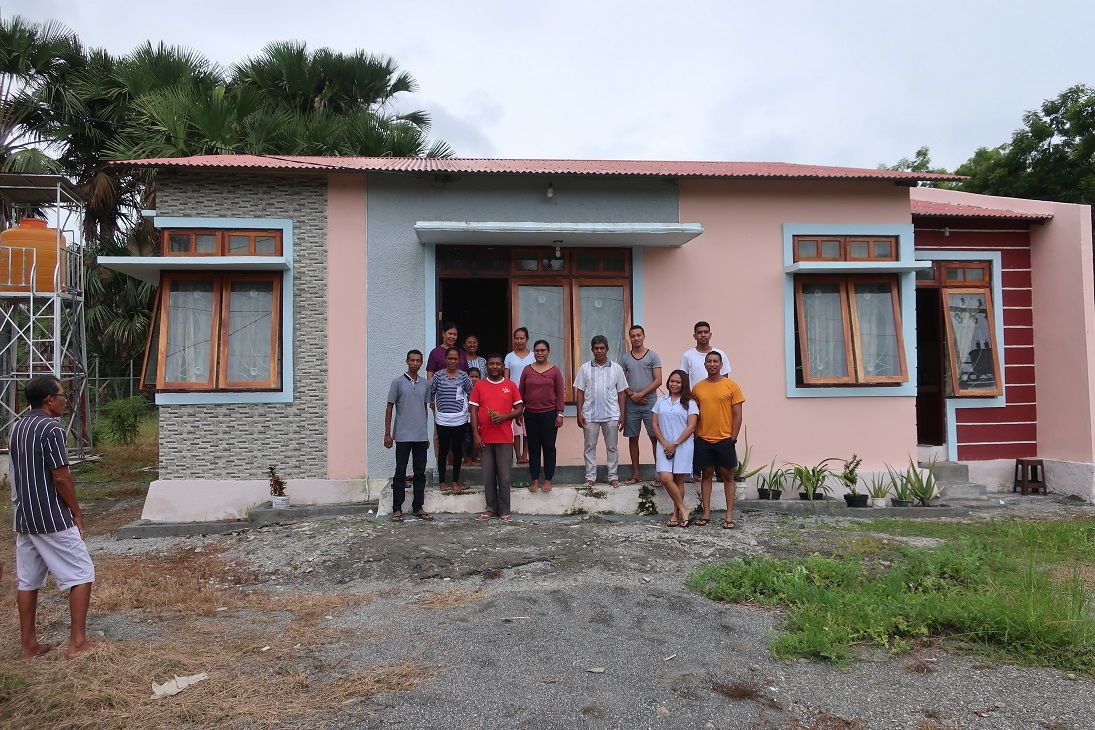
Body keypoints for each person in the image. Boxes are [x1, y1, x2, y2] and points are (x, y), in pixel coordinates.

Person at [11, 374, 95, 659]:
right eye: (61, 396)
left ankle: (29, 646)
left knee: (28, 581)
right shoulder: (52, 429)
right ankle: (78, 644)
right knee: (82, 573)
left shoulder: (18, 427)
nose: (64, 401)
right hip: (51, 516)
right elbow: (60, 476)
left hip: (25, 517)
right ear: (49, 400)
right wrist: (76, 512)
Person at [691, 351, 746, 529]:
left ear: (721, 365)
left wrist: (733, 438)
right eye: (709, 361)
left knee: (727, 476)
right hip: (704, 439)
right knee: (706, 475)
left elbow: (738, 415)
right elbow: (694, 415)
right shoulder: (698, 388)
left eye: (716, 361)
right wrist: (696, 436)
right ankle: (706, 513)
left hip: (725, 439)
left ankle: (729, 515)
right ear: (705, 365)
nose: (712, 364)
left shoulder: (731, 386)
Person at [470, 354, 524, 522]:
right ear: (486, 366)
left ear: (502, 366)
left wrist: (505, 417)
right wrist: (476, 434)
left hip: (505, 438)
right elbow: (473, 411)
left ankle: (504, 511)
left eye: (498, 364)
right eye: (491, 364)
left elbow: (520, 408)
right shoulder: (479, 385)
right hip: (484, 438)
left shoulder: (510, 385)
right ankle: (491, 509)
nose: (494, 366)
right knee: (488, 476)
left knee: (504, 477)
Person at [574, 335, 629, 488]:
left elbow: (621, 393)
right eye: (596, 348)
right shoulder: (584, 368)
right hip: (589, 415)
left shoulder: (616, 368)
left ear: (607, 349)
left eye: (602, 348)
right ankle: (590, 477)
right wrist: (579, 413)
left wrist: (622, 415)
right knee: (589, 447)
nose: (599, 351)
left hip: (611, 415)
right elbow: (580, 391)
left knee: (612, 447)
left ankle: (613, 476)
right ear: (592, 350)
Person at [384, 350, 433, 522]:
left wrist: (426, 434)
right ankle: (397, 508)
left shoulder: (426, 384)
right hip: (402, 435)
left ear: (421, 363)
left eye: (418, 360)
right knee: (400, 471)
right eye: (412, 360)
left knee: (420, 472)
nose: (415, 363)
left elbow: (424, 409)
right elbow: (389, 408)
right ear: (407, 361)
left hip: (420, 436)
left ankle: (418, 506)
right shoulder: (397, 382)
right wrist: (387, 434)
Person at [679, 320, 731, 480]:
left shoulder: (720, 354)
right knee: (696, 435)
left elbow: (725, 379)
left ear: (710, 334)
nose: (703, 335)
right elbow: (683, 379)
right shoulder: (687, 355)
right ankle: (696, 471)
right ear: (694, 335)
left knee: (718, 435)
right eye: (699, 332)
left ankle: (720, 472)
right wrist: (688, 401)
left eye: (705, 332)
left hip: (717, 402)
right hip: (695, 402)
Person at [651, 370, 699, 527]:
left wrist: (675, 444)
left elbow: (691, 426)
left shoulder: (690, 403)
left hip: (683, 446)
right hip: (664, 446)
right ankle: (685, 509)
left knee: (679, 481)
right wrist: (665, 444)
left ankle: (675, 516)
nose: (674, 384)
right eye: (672, 381)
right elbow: (654, 424)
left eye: (678, 382)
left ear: (683, 384)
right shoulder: (661, 401)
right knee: (665, 478)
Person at [519, 340, 565, 494]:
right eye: (537, 350)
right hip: (530, 414)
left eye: (543, 350)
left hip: (549, 414)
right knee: (533, 447)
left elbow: (560, 393)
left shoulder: (555, 371)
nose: (540, 353)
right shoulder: (527, 370)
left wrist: (560, 413)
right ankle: (534, 479)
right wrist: (519, 412)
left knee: (549, 447)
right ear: (534, 352)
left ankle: (548, 479)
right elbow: (521, 392)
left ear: (548, 352)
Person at [618, 325, 662, 485]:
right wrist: (631, 395)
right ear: (629, 338)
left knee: (655, 437)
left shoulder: (653, 356)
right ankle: (636, 474)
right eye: (633, 336)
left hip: (650, 403)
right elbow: (620, 381)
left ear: (644, 336)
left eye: (638, 335)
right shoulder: (625, 359)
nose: (636, 338)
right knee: (633, 438)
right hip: (631, 405)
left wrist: (641, 394)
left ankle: (660, 474)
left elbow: (658, 380)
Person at [428, 347, 474, 495]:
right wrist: (433, 404)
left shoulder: (464, 376)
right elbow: (432, 393)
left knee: (457, 449)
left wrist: (469, 409)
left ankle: (455, 481)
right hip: (442, 419)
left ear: (459, 360)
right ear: (445, 359)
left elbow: (471, 393)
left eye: (455, 358)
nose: (453, 361)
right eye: (450, 358)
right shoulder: (437, 376)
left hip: (459, 419)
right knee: (443, 449)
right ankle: (442, 481)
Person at [504, 327, 534, 464]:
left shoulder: (533, 356)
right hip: (513, 397)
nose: (519, 341)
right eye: (517, 338)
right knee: (516, 429)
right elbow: (506, 378)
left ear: (527, 339)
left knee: (527, 428)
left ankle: (525, 455)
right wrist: (507, 395)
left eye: (522, 338)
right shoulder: (509, 357)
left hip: (530, 396)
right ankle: (517, 455)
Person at [463, 366, 482, 466]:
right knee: (467, 439)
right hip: (466, 419)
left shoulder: (482, 390)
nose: (474, 379)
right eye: (471, 376)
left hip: (479, 419)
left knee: (479, 438)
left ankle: (477, 456)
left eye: (476, 377)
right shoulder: (464, 390)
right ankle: (468, 459)